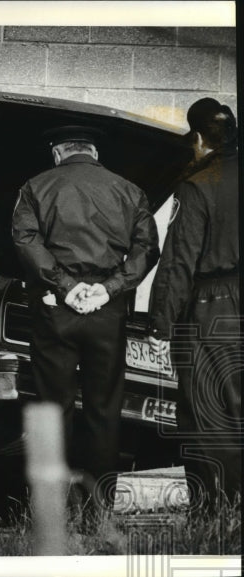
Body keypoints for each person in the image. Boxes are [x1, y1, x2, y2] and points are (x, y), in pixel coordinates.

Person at [12, 125, 159, 522]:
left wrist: (66, 287)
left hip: (54, 309)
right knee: (103, 410)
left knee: (52, 409)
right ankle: (98, 514)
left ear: (58, 153)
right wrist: (108, 289)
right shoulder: (130, 191)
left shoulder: (35, 186)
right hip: (106, 313)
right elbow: (147, 248)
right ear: (93, 152)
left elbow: (25, 240)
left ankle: (51, 513)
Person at [147, 98, 241, 512]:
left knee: (208, 412)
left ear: (199, 138)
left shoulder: (198, 184)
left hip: (212, 306)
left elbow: (178, 261)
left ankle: (217, 510)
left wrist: (159, 326)